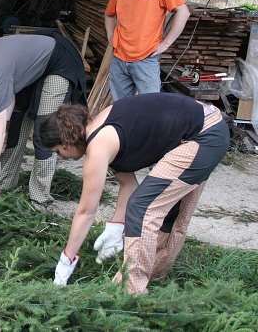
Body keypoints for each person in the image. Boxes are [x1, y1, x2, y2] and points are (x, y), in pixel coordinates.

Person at [40, 92, 229, 294]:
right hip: (208, 127)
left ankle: (130, 291)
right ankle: (155, 278)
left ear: (66, 142)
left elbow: (86, 212)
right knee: (169, 211)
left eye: (58, 151)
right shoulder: (100, 128)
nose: (61, 157)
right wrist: (115, 227)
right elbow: (128, 184)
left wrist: (67, 259)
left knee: (142, 208)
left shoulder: (98, 146)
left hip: (203, 137)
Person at [0, 30, 87, 210]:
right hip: (32, 69)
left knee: (44, 133)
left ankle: (39, 198)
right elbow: (7, 112)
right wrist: (7, 123)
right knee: (15, 127)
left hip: (58, 62)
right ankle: (6, 184)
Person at [105, 0, 190, 101]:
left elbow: (183, 12)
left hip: (146, 58)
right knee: (121, 108)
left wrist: (165, 44)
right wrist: (111, 36)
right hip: (119, 58)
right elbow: (109, 14)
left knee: (150, 108)